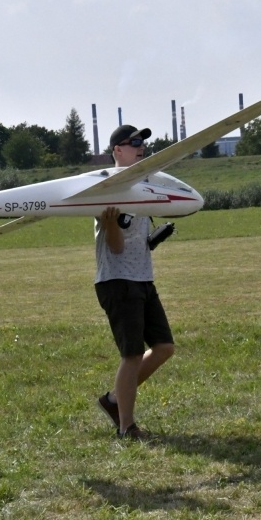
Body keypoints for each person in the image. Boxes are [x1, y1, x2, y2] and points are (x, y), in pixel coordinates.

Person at [94, 124, 175, 441]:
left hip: (143, 277)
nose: (141, 147)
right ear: (117, 150)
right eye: (134, 143)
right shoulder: (106, 189)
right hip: (117, 281)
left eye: (143, 143)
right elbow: (114, 246)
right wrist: (110, 222)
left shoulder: (142, 186)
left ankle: (114, 400)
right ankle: (127, 427)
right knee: (130, 355)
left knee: (164, 348)